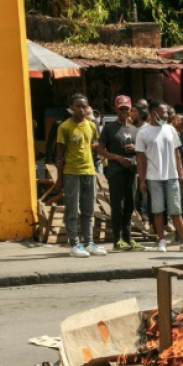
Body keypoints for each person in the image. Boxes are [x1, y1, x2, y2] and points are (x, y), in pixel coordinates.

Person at [135, 101, 183, 254]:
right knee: (158, 211)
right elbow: (140, 159)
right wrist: (142, 180)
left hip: (172, 176)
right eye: (162, 112)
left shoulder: (171, 130)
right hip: (153, 177)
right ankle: (161, 240)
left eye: (167, 112)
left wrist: (181, 174)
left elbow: (177, 153)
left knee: (176, 211)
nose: (165, 115)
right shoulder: (143, 133)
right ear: (152, 112)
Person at [56, 94, 108, 258]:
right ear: (71, 107)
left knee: (88, 209)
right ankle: (74, 244)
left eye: (84, 106)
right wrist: (59, 178)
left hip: (89, 171)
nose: (82, 109)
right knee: (72, 210)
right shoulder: (64, 127)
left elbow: (96, 146)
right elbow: (59, 156)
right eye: (78, 106)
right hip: (72, 173)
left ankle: (89, 242)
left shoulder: (91, 126)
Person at [96, 94, 142, 251]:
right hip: (116, 171)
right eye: (121, 108)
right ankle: (117, 240)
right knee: (117, 205)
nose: (124, 111)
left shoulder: (135, 130)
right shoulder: (109, 128)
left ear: (131, 110)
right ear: (116, 109)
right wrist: (117, 158)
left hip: (131, 170)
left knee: (130, 205)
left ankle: (128, 239)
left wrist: (135, 150)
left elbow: (142, 151)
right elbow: (100, 149)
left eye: (126, 108)